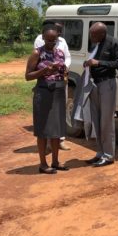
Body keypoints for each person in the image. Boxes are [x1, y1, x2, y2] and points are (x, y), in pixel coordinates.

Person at [25, 24, 69, 174]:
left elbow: (63, 71)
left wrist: (63, 73)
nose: (51, 42)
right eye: (49, 40)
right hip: (44, 92)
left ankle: (55, 161)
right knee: (43, 129)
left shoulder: (60, 53)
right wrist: (44, 70)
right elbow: (28, 76)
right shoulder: (37, 53)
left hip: (58, 92)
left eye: (54, 40)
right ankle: (43, 164)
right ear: (43, 37)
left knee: (57, 129)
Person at [84, 22, 118, 167]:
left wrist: (99, 63)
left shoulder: (113, 43)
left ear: (102, 33)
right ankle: (100, 153)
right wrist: (88, 64)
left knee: (106, 121)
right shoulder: (95, 43)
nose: (91, 37)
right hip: (94, 84)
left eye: (94, 35)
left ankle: (108, 156)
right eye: (91, 34)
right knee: (96, 120)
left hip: (107, 83)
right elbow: (93, 60)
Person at [34, 21, 72, 150]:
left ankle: (60, 140)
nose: (58, 34)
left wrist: (64, 66)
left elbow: (67, 57)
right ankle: (46, 143)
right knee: (46, 116)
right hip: (45, 83)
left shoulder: (62, 42)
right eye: (57, 30)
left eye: (59, 32)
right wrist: (47, 69)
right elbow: (38, 61)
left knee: (59, 114)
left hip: (59, 82)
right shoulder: (39, 41)